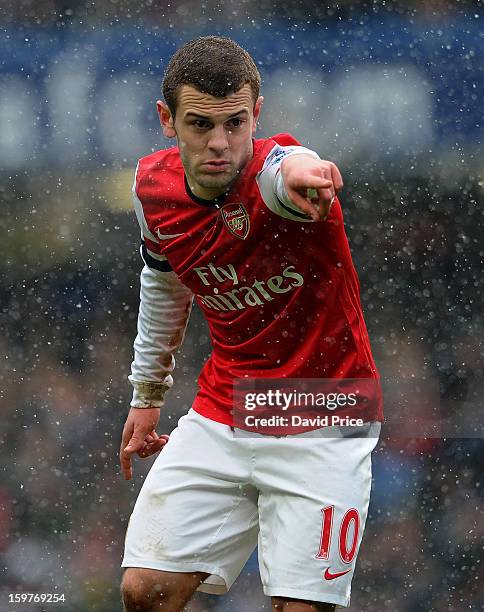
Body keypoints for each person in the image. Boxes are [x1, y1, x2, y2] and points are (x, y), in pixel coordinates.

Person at [119, 36, 383, 612]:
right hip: (229, 408)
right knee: (145, 590)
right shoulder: (150, 191)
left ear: (256, 114)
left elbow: (288, 166)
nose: (220, 144)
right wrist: (146, 395)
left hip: (325, 412)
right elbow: (165, 284)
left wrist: (304, 174)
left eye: (236, 123)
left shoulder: (277, 173)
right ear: (167, 120)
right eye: (200, 125)